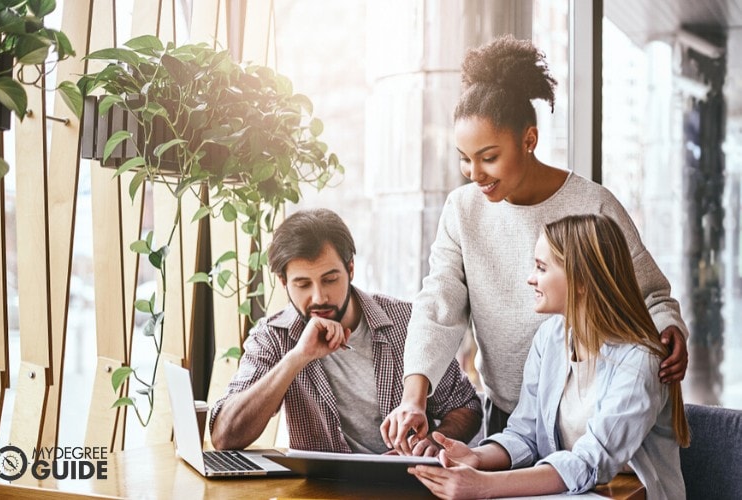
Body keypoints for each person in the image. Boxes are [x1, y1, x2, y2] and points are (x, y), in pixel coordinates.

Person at [381, 35, 689, 453]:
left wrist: (668, 328)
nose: (474, 172)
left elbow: (650, 294)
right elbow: (438, 306)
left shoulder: (592, 205)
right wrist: (412, 398)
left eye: (488, 156)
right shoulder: (462, 209)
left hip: (592, 414)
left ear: (529, 139)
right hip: (515, 420)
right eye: (464, 157)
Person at [409, 214, 690, 499]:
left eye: (541, 268)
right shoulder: (550, 338)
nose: (531, 279)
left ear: (582, 280)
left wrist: (482, 486)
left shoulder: (641, 359)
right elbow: (524, 434)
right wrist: (475, 457)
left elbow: (590, 462)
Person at [209, 208, 483, 456]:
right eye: (303, 284)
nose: (319, 297)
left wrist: (434, 442)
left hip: (404, 487)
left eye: (330, 279)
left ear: (350, 269)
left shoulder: (407, 322)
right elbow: (224, 436)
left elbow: (466, 406)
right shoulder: (272, 337)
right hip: (322, 493)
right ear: (283, 282)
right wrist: (297, 357)